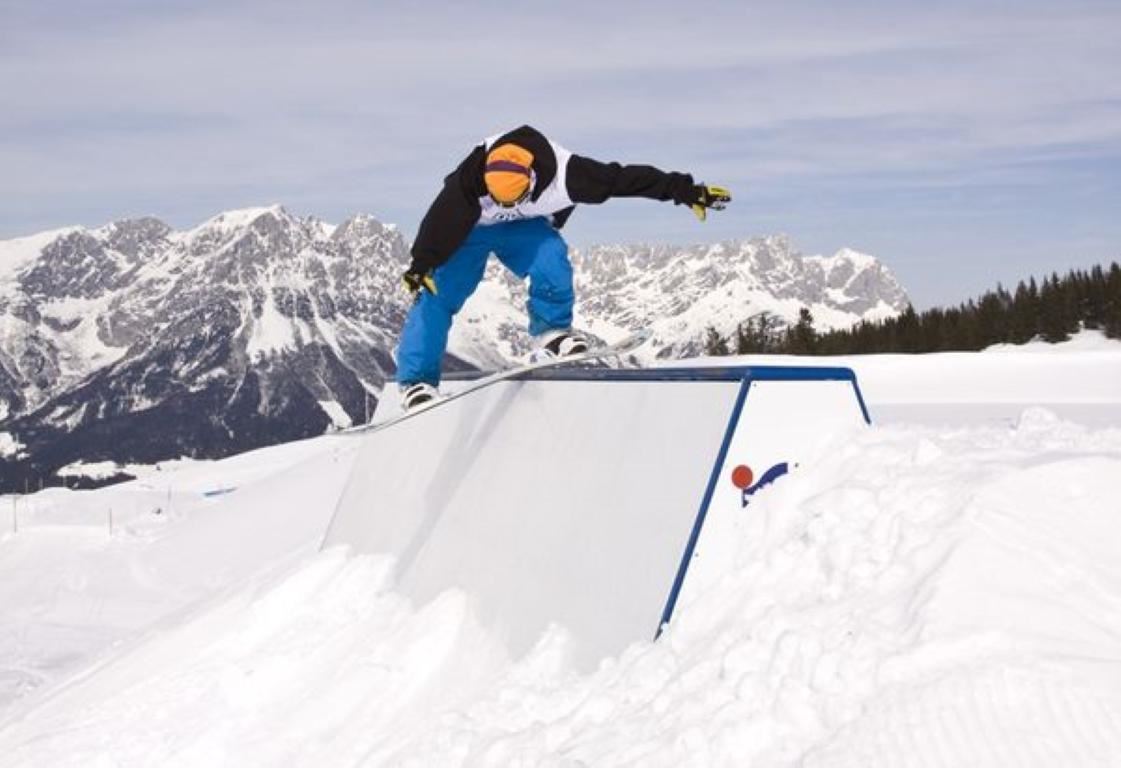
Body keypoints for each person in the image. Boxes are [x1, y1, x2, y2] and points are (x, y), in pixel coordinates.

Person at [396, 124, 730, 411]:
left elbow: (627, 180)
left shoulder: (569, 175)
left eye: (511, 200)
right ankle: (416, 381)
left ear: (532, 179)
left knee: (550, 257)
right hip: (472, 228)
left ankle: (551, 332)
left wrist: (686, 191)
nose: (502, 206)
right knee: (437, 292)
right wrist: (420, 265)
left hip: (524, 227)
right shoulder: (468, 181)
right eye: (496, 199)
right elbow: (438, 219)